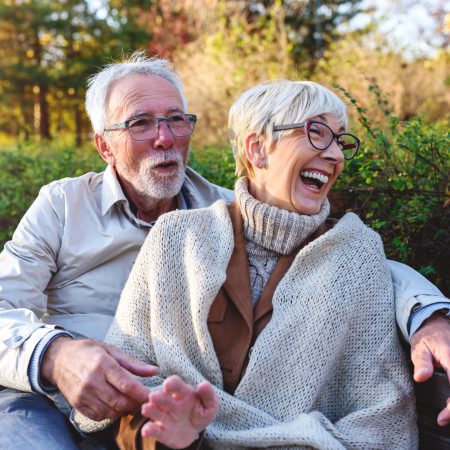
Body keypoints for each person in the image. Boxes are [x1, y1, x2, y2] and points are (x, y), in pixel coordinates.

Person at [0, 52, 448, 449]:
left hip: (150, 415)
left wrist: (428, 314)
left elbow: (343, 261)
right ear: (104, 146)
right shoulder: (62, 204)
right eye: (141, 123)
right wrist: (56, 355)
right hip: (45, 393)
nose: (165, 137)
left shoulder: (226, 211)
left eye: (176, 119)